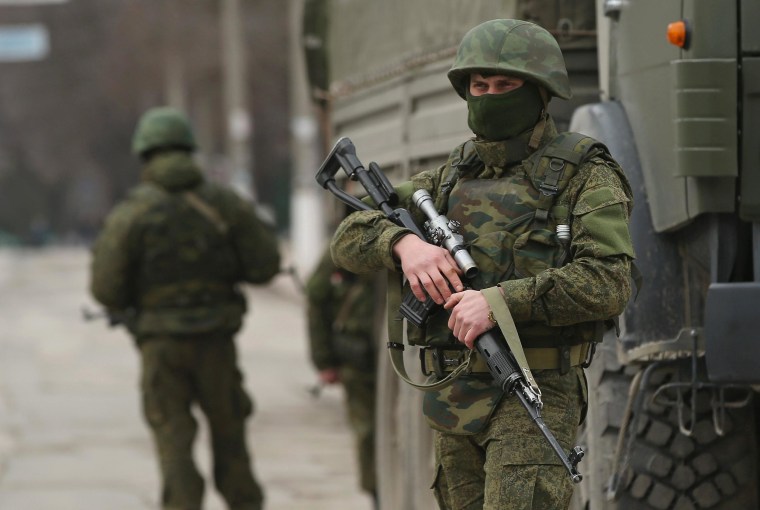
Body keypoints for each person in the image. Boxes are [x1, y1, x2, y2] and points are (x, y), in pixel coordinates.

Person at [330, 19, 636, 510]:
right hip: (453, 400)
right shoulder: (450, 176)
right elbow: (348, 237)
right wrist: (404, 246)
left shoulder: (586, 174)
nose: (491, 95)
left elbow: (609, 282)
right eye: (480, 85)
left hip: (534, 390)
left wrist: (498, 302)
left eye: (506, 85)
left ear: (539, 91)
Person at [89, 107, 280, 510]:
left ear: (145, 154)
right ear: (190, 149)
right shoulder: (225, 204)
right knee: (231, 442)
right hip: (216, 344)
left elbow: (106, 290)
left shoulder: (131, 213)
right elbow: (265, 266)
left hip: (160, 347)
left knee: (173, 443)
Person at [305, 246, 380, 508]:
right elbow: (316, 296)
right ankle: (377, 495)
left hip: (399, 356)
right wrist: (324, 359)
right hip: (359, 358)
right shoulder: (348, 241)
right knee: (368, 431)